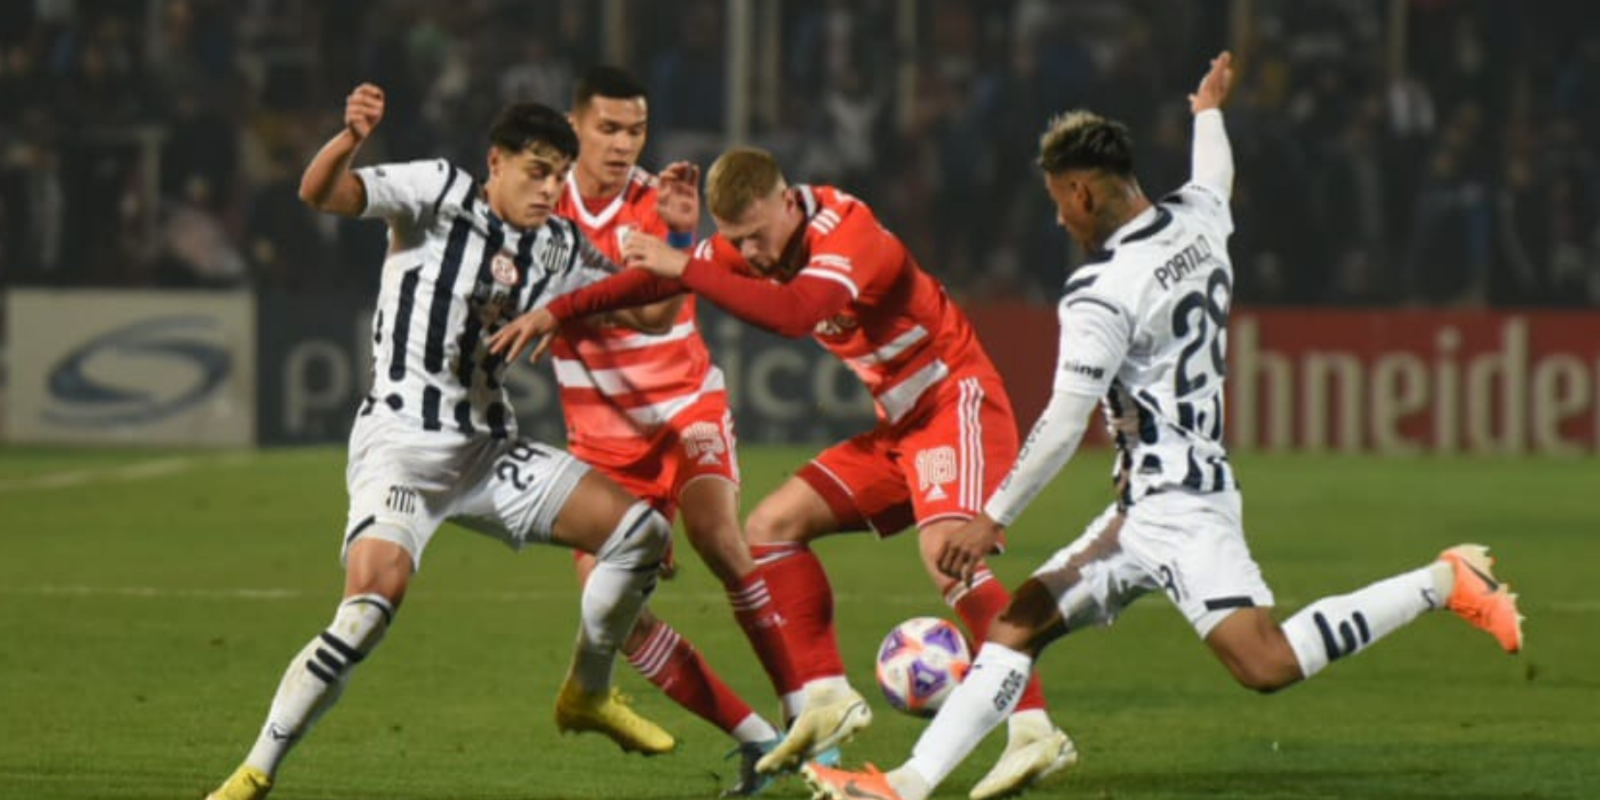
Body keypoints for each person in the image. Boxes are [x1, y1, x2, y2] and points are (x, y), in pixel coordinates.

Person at [800, 52, 1525, 800]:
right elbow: (1215, 173)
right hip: (1147, 506)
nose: (1058, 218)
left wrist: (992, 519)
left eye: (1058, 201)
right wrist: (1207, 113)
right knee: (1021, 622)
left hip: (1181, 510)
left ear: (1083, 191)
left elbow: (1064, 421)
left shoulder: (1101, 291)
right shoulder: (1200, 220)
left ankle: (1447, 581)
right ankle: (906, 785)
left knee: (1265, 663)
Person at [491, 151, 1075, 800]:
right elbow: (656, 282)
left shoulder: (846, 231)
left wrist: (686, 266)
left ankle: (1033, 729)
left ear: (787, 202)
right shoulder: (761, 240)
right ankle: (826, 696)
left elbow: (796, 313)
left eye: (755, 237)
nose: (751, 254)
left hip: (952, 400)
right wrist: (561, 310)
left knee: (946, 556)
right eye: (736, 242)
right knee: (772, 526)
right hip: (900, 427)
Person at [205, 84, 678, 800]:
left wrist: (678, 238)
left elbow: (650, 313)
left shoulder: (557, 245)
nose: (550, 189)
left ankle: (588, 690)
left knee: (641, 535)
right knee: (368, 610)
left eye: (560, 176)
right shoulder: (437, 191)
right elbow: (320, 193)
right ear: (497, 162)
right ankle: (253, 772)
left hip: (488, 452)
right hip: (401, 445)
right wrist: (350, 138)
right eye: (537, 171)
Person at [552, 65, 799, 796]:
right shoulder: (540, 204)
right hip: (601, 445)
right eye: (608, 129)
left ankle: (806, 709)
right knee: (609, 618)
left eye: (636, 130)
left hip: (685, 410)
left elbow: (660, 313)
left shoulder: (658, 203)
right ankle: (758, 739)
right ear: (575, 126)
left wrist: (677, 238)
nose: (624, 144)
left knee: (719, 538)